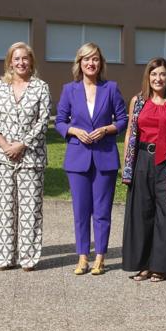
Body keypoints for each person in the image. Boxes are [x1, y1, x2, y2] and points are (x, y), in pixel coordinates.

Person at [55, 43, 127, 275]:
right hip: (78, 158)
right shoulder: (69, 90)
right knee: (81, 210)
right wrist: (74, 131)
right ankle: (83, 256)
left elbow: (123, 119)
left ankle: (100, 257)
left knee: (102, 210)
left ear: (100, 63)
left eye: (95, 59)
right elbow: (59, 121)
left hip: (105, 158)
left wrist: (107, 129)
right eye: (86, 59)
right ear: (79, 63)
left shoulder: (111, 88)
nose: (91, 63)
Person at [122, 58, 166, 282]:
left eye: (162, 74)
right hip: (142, 159)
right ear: (148, 77)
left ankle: (160, 266)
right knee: (142, 212)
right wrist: (126, 165)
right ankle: (143, 265)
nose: (158, 79)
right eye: (154, 74)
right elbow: (130, 132)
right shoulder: (137, 101)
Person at [0, 42, 52, 271]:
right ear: (9, 62)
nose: (21, 63)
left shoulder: (41, 88)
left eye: (25, 58)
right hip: (1, 157)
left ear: (31, 61)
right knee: (4, 208)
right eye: (16, 59)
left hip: (31, 157)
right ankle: (5, 257)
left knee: (30, 210)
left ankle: (28, 258)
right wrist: (5, 145)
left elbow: (43, 121)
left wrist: (22, 145)